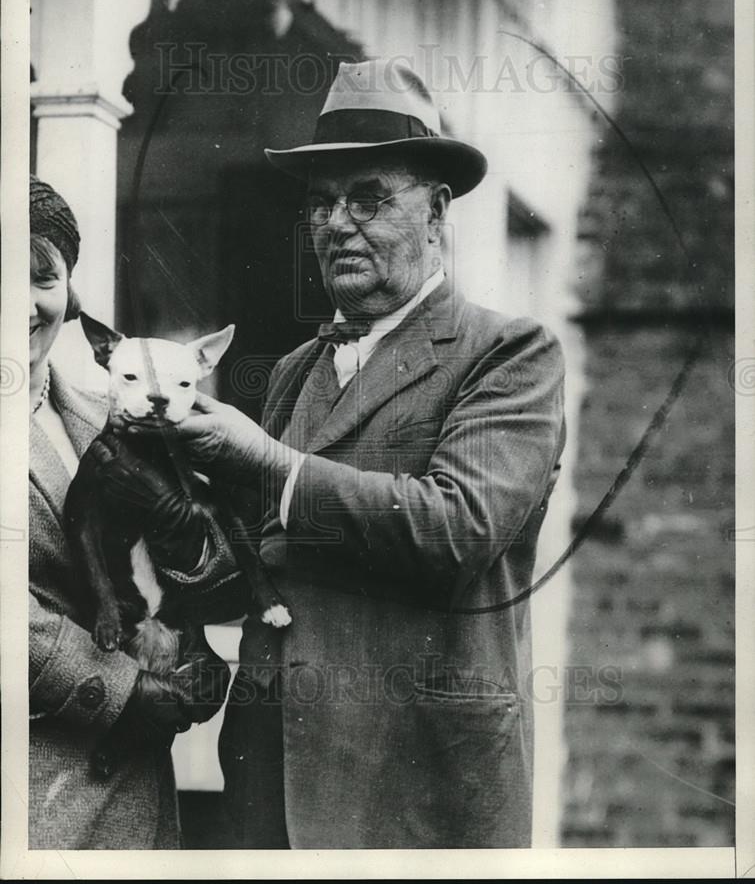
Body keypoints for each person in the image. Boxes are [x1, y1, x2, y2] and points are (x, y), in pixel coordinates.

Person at [150, 59, 566, 848]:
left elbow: (457, 529)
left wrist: (266, 464)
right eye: (319, 202)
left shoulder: (507, 353)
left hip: (420, 784)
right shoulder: (292, 371)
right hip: (270, 786)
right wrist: (166, 502)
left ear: (438, 209)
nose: (336, 223)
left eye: (368, 196)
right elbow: (258, 567)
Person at [28, 175, 237, 849]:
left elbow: (196, 550)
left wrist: (193, 647)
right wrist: (114, 690)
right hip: (31, 801)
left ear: (70, 294)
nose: (20, 302)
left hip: (132, 812)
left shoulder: (114, 420)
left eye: (40, 277)